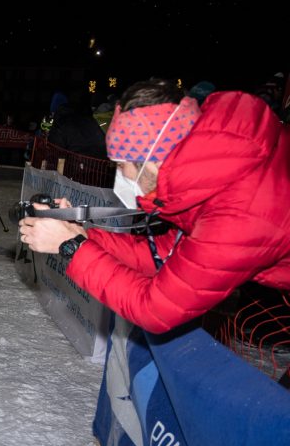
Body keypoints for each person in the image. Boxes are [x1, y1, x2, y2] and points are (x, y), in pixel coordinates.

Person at [19, 78, 290, 333]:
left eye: (122, 164)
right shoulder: (213, 177)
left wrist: (72, 247)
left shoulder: (238, 214)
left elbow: (155, 309)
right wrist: (81, 234)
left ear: (152, 160)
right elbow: (163, 253)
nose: (121, 175)